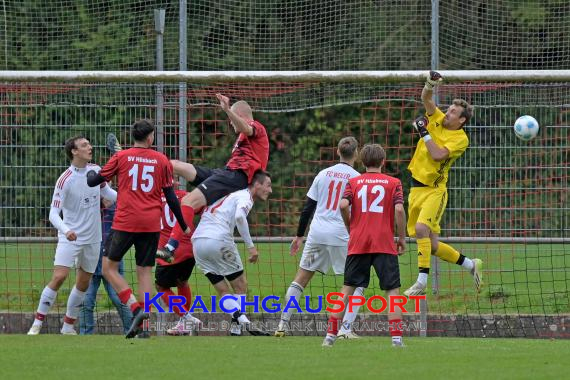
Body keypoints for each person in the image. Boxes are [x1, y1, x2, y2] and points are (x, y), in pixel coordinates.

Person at [87, 119, 190, 339]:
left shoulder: (121, 157)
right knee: (144, 272)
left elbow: (94, 181)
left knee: (108, 268)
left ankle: (135, 308)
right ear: (150, 137)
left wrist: (90, 174)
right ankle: (144, 328)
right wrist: (183, 224)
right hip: (151, 223)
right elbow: (171, 197)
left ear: (133, 136)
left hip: (125, 222)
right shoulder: (161, 160)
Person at [158, 94, 269, 262]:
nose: (230, 123)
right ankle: (144, 161)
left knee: (188, 201)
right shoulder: (244, 137)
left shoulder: (256, 127)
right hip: (225, 173)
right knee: (174, 165)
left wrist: (226, 110)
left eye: (232, 118)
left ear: (239, 115)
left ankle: (170, 247)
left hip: (236, 178)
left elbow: (245, 128)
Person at [275, 136, 364, 339]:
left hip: (317, 232)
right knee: (356, 282)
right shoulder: (357, 178)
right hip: (341, 234)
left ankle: (282, 325)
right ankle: (345, 329)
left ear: (337, 152)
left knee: (301, 279)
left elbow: (308, 207)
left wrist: (299, 236)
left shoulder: (322, 174)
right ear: (356, 154)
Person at [27, 136, 117, 335]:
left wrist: (131, 196)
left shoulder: (96, 171)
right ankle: (37, 324)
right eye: (84, 145)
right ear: (74, 151)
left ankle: (68, 326)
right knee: (59, 276)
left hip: (94, 238)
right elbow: (52, 213)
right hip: (70, 237)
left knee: (83, 282)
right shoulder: (65, 179)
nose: (90, 147)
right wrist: (66, 231)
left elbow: (109, 194)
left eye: (89, 144)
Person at [404, 71, 483, 297]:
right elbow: (426, 99)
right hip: (416, 188)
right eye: (448, 109)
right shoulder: (438, 118)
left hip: (434, 192)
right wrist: (430, 83)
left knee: (420, 229)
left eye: (453, 112)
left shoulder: (461, 139)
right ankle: (471, 265)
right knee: (433, 245)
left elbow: (438, 155)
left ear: (462, 120)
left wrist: (423, 132)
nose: (447, 113)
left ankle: (421, 282)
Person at [322, 144, 407, 348]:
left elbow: (342, 205)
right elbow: (399, 210)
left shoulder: (354, 181)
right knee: (392, 290)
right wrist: (401, 237)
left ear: (362, 161)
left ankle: (329, 338)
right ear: (383, 161)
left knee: (347, 289)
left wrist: (350, 225)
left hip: (359, 241)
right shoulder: (393, 182)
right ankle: (396, 340)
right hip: (384, 242)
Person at [191, 170, 272, 336]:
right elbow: (240, 217)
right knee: (241, 285)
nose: (270, 190)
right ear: (256, 184)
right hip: (218, 241)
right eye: (268, 185)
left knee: (223, 291)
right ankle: (243, 322)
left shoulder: (229, 195)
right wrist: (251, 247)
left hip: (198, 243)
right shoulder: (245, 196)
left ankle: (237, 327)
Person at [79, 201, 132, 335]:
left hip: (111, 259)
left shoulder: (118, 204)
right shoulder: (86, 203)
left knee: (119, 299)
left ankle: (132, 330)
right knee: (86, 301)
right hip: (89, 258)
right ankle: (85, 336)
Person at [155, 187, 202, 336]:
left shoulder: (153, 197)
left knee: (161, 286)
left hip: (169, 250)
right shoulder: (188, 196)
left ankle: (187, 318)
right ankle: (184, 325)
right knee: (182, 282)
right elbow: (202, 207)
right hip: (190, 247)